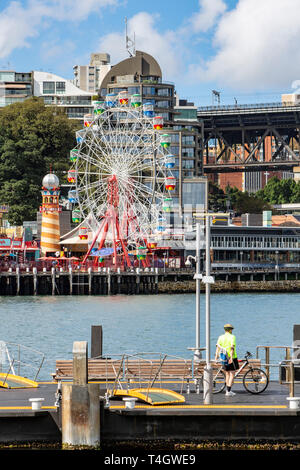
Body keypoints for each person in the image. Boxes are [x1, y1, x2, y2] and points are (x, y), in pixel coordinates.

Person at [215, 323, 239, 397]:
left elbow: (218, 348)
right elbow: (232, 347)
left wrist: (216, 357)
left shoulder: (220, 337)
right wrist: (231, 358)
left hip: (223, 358)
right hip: (231, 357)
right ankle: (228, 391)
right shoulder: (232, 337)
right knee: (232, 374)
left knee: (227, 374)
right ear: (230, 330)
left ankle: (228, 390)